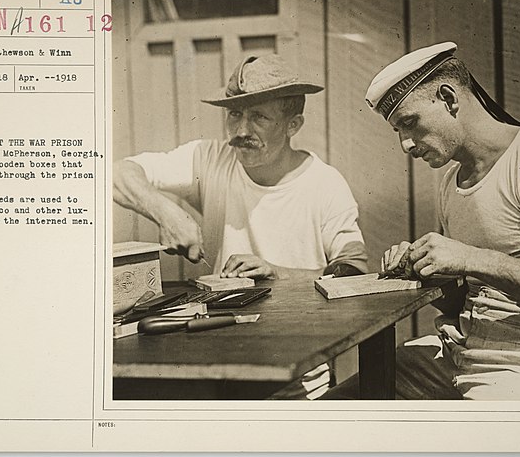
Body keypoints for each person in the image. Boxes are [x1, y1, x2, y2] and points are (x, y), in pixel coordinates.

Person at [326, 41, 520, 401]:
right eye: (397, 131)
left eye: (409, 123)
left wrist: (469, 257)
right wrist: (423, 270)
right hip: (459, 350)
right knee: (340, 406)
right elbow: (465, 301)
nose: (406, 145)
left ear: (449, 97)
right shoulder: (450, 182)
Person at [113, 54, 368, 398]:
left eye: (259, 117)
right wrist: (166, 213)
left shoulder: (325, 184)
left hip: (296, 374)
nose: (241, 131)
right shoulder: (210, 158)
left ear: (294, 125)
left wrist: (276, 273)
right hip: (216, 359)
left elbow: (354, 275)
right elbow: (117, 174)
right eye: (234, 114)